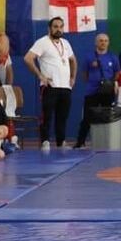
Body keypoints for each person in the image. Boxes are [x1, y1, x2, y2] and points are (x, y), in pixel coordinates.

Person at [24, 18, 77, 148]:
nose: (58, 29)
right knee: (47, 116)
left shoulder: (66, 43)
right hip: (50, 86)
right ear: (49, 28)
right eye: (55, 26)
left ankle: (61, 142)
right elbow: (28, 58)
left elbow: (73, 60)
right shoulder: (42, 42)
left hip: (65, 87)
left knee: (62, 116)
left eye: (61, 26)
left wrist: (73, 77)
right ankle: (45, 141)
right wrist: (40, 76)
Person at [74, 33, 120, 149]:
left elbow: (117, 73)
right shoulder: (89, 57)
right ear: (96, 42)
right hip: (91, 92)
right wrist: (92, 82)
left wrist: (110, 83)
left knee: (107, 118)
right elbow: (84, 74)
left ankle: (108, 143)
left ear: (108, 43)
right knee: (87, 118)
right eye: (101, 40)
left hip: (107, 92)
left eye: (105, 41)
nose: (103, 43)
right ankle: (80, 142)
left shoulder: (113, 57)